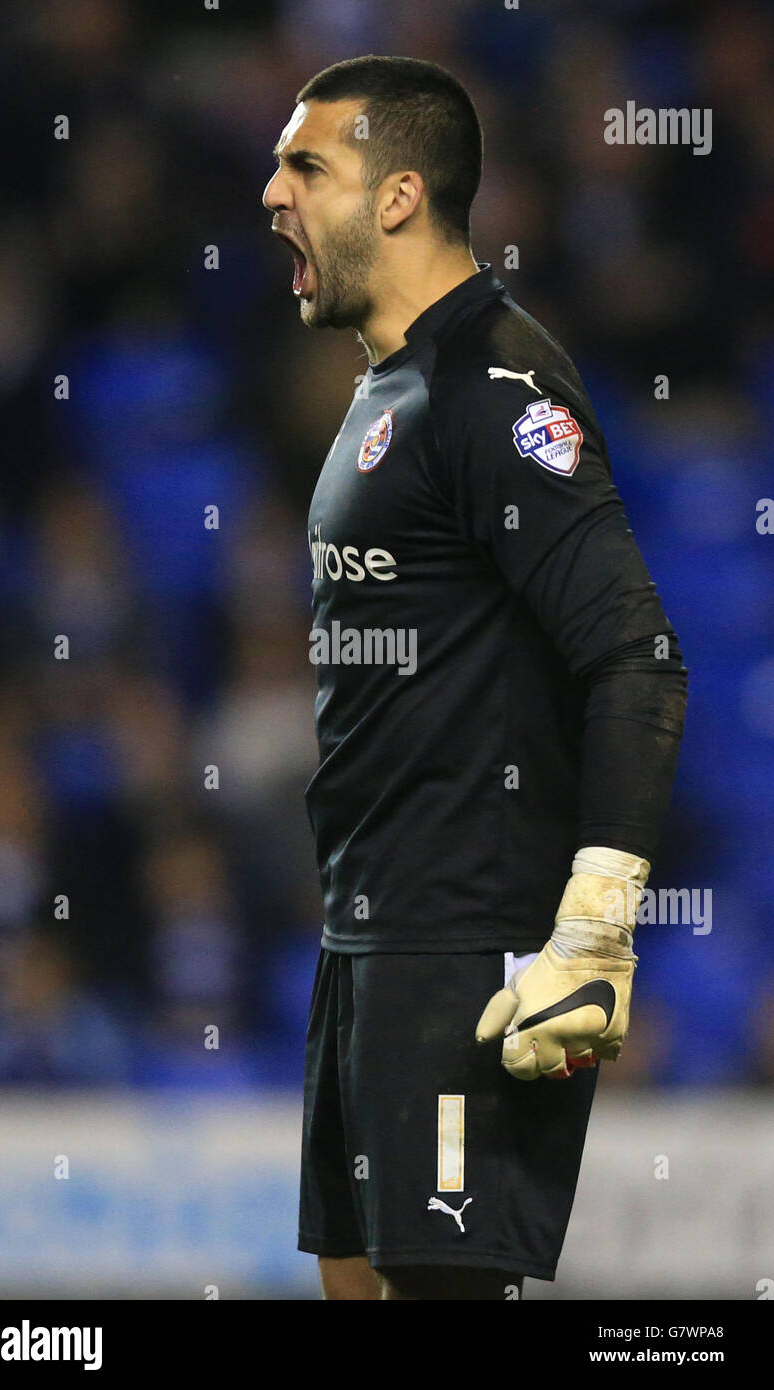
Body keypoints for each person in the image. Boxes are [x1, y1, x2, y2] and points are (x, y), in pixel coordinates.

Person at [262, 55, 687, 1301]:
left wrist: (595, 923)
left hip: (464, 945)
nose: (270, 191)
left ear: (397, 197)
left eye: (306, 166)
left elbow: (636, 653)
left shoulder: (494, 389)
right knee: (353, 1283)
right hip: (369, 939)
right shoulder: (386, 388)